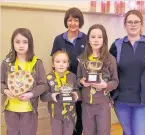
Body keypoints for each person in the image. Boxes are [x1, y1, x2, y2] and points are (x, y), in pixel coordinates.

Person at [109, 10, 145, 135]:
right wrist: (110, 95)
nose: (133, 24)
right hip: (122, 101)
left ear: (141, 24)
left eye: (136, 22)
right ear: (125, 24)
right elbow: (109, 71)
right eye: (129, 22)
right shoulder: (117, 45)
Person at [1, 28, 47, 135]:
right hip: (11, 109)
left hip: (29, 109)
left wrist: (31, 94)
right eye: (17, 42)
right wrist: (6, 91)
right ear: (13, 43)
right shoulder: (6, 63)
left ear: (30, 43)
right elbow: (1, 82)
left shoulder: (37, 63)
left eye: (25, 42)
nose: (21, 45)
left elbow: (43, 85)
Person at [77, 24, 119, 135]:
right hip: (86, 104)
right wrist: (81, 82)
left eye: (99, 37)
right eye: (93, 37)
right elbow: (77, 78)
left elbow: (115, 81)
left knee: (103, 132)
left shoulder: (110, 59)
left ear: (104, 39)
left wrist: (105, 85)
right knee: (88, 132)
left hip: (103, 104)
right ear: (88, 40)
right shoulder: (82, 59)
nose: (96, 40)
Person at [50, 7, 87, 135]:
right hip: (63, 86)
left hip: (81, 85)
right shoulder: (59, 39)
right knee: (64, 118)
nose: (73, 23)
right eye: (70, 20)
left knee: (78, 118)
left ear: (80, 22)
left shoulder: (86, 39)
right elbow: (53, 62)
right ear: (66, 21)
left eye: (76, 20)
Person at [40, 50, 79, 135]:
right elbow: (43, 97)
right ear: (53, 64)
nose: (61, 64)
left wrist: (76, 94)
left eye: (64, 62)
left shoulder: (72, 76)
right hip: (55, 115)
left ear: (68, 64)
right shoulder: (49, 78)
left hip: (70, 114)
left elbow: (77, 91)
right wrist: (51, 95)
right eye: (58, 62)